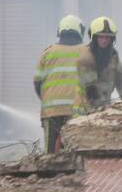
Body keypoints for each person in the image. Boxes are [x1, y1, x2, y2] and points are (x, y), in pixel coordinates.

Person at [34, 14, 89, 153]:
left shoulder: (47, 53)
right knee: (76, 150)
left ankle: (50, 173)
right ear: (80, 31)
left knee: (51, 152)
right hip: (78, 112)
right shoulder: (87, 52)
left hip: (52, 111)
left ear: (60, 31)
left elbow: (37, 83)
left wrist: (47, 100)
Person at [81, 15, 122, 110]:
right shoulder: (86, 57)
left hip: (105, 108)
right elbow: (90, 88)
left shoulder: (113, 57)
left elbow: (121, 83)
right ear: (94, 38)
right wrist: (102, 107)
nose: (104, 41)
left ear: (112, 39)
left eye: (107, 38)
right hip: (86, 109)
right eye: (101, 37)